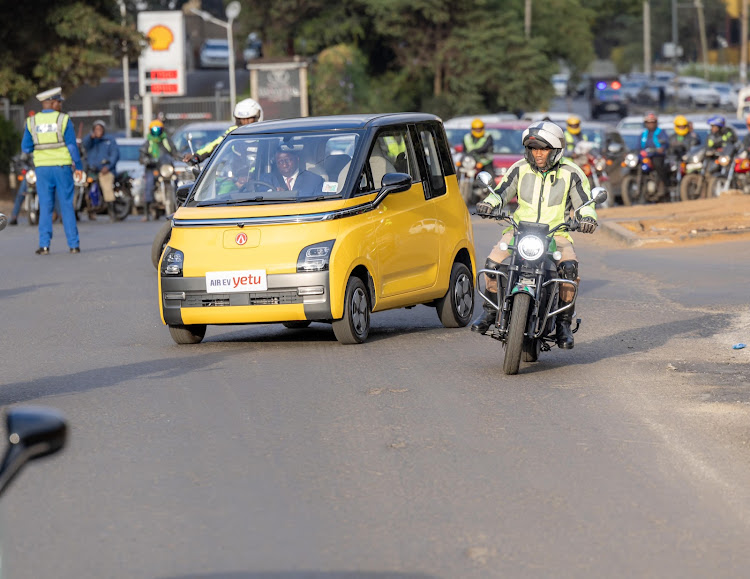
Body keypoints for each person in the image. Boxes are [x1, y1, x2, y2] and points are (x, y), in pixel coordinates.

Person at [472, 121, 598, 349]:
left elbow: (584, 202)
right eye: (533, 149)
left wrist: (588, 218)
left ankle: (563, 324)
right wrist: (488, 203)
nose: (537, 154)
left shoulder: (572, 172)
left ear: (556, 150)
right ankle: (490, 312)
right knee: (492, 265)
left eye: (543, 149)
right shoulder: (519, 168)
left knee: (569, 270)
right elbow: (501, 192)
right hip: (519, 231)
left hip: (556, 234)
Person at [21, 87, 83, 254]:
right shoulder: (63, 120)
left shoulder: (31, 121)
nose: (60, 105)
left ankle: (44, 245)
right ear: (53, 103)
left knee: (46, 206)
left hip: (42, 169)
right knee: (66, 205)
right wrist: (79, 166)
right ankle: (73, 245)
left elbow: (25, 148)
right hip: (62, 168)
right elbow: (71, 145)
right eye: (59, 102)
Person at [182, 98, 264, 164]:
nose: (246, 122)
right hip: (237, 178)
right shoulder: (234, 132)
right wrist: (197, 156)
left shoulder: (265, 133)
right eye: (242, 119)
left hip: (263, 178)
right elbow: (215, 145)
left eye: (249, 119)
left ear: (258, 117)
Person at [139, 119, 180, 220]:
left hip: (166, 168)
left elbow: (174, 152)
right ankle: (146, 212)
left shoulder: (167, 141)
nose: (156, 132)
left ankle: (180, 207)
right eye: (154, 130)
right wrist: (146, 160)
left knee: (177, 184)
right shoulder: (148, 142)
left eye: (158, 129)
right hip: (153, 168)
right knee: (149, 184)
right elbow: (142, 156)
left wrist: (179, 157)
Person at [81, 120, 120, 221]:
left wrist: (108, 167)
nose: (98, 131)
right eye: (96, 129)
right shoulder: (91, 140)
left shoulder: (109, 140)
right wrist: (91, 137)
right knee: (82, 185)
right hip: (91, 170)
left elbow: (115, 154)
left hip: (105, 170)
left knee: (106, 186)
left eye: (100, 129)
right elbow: (84, 145)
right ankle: (85, 209)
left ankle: (112, 212)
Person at [639, 112, 669, 189]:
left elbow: (665, 143)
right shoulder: (643, 134)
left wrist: (661, 148)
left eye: (652, 122)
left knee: (658, 164)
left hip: (657, 155)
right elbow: (638, 146)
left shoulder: (661, 132)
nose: (650, 124)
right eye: (648, 122)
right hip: (645, 157)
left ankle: (663, 184)